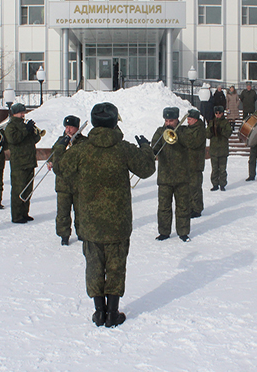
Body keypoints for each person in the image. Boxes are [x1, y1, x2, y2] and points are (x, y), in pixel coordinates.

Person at [57, 102, 156, 328]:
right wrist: (146, 147)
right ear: (114, 123)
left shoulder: (81, 149)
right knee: (115, 267)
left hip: (90, 223)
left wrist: (61, 145)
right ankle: (113, 313)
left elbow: (61, 168)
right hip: (118, 223)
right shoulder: (123, 149)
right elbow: (147, 169)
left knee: (93, 266)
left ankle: (98, 313)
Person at [152, 107, 197, 242]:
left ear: (177, 119)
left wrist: (178, 135)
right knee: (164, 207)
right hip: (164, 177)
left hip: (182, 176)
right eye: (166, 120)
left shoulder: (184, 131)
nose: (168, 123)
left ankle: (183, 232)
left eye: (171, 120)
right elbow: (154, 146)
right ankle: (164, 232)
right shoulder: (160, 132)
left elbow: (191, 143)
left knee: (183, 206)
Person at [50, 115, 88, 246]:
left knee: (81, 211)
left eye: (71, 127)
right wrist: (51, 161)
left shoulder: (84, 142)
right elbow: (54, 154)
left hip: (79, 183)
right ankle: (64, 235)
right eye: (66, 127)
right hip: (63, 184)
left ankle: (82, 233)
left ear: (77, 128)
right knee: (62, 212)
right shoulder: (61, 140)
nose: (68, 130)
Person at [4, 103, 42, 224]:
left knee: (28, 189)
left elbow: (34, 140)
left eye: (23, 113)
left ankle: (25, 213)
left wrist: (34, 132)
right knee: (18, 189)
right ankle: (17, 216)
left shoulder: (24, 125)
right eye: (21, 113)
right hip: (19, 162)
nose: (23, 115)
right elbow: (14, 139)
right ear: (14, 113)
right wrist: (26, 130)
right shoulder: (10, 126)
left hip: (29, 161)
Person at [206, 106, 232, 191]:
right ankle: (215, 184)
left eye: (219, 113)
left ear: (222, 113)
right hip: (214, 150)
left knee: (222, 169)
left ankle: (222, 184)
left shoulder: (225, 123)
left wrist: (221, 131)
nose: (217, 115)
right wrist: (210, 130)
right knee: (214, 169)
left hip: (222, 150)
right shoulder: (212, 122)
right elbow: (207, 135)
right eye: (216, 113)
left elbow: (228, 133)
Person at [186, 109, 207, 218]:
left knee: (195, 187)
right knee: (189, 187)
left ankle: (197, 209)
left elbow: (194, 143)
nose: (187, 121)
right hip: (188, 162)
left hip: (196, 163)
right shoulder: (189, 129)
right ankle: (190, 207)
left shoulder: (200, 130)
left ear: (195, 119)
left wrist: (183, 138)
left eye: (189, 119)